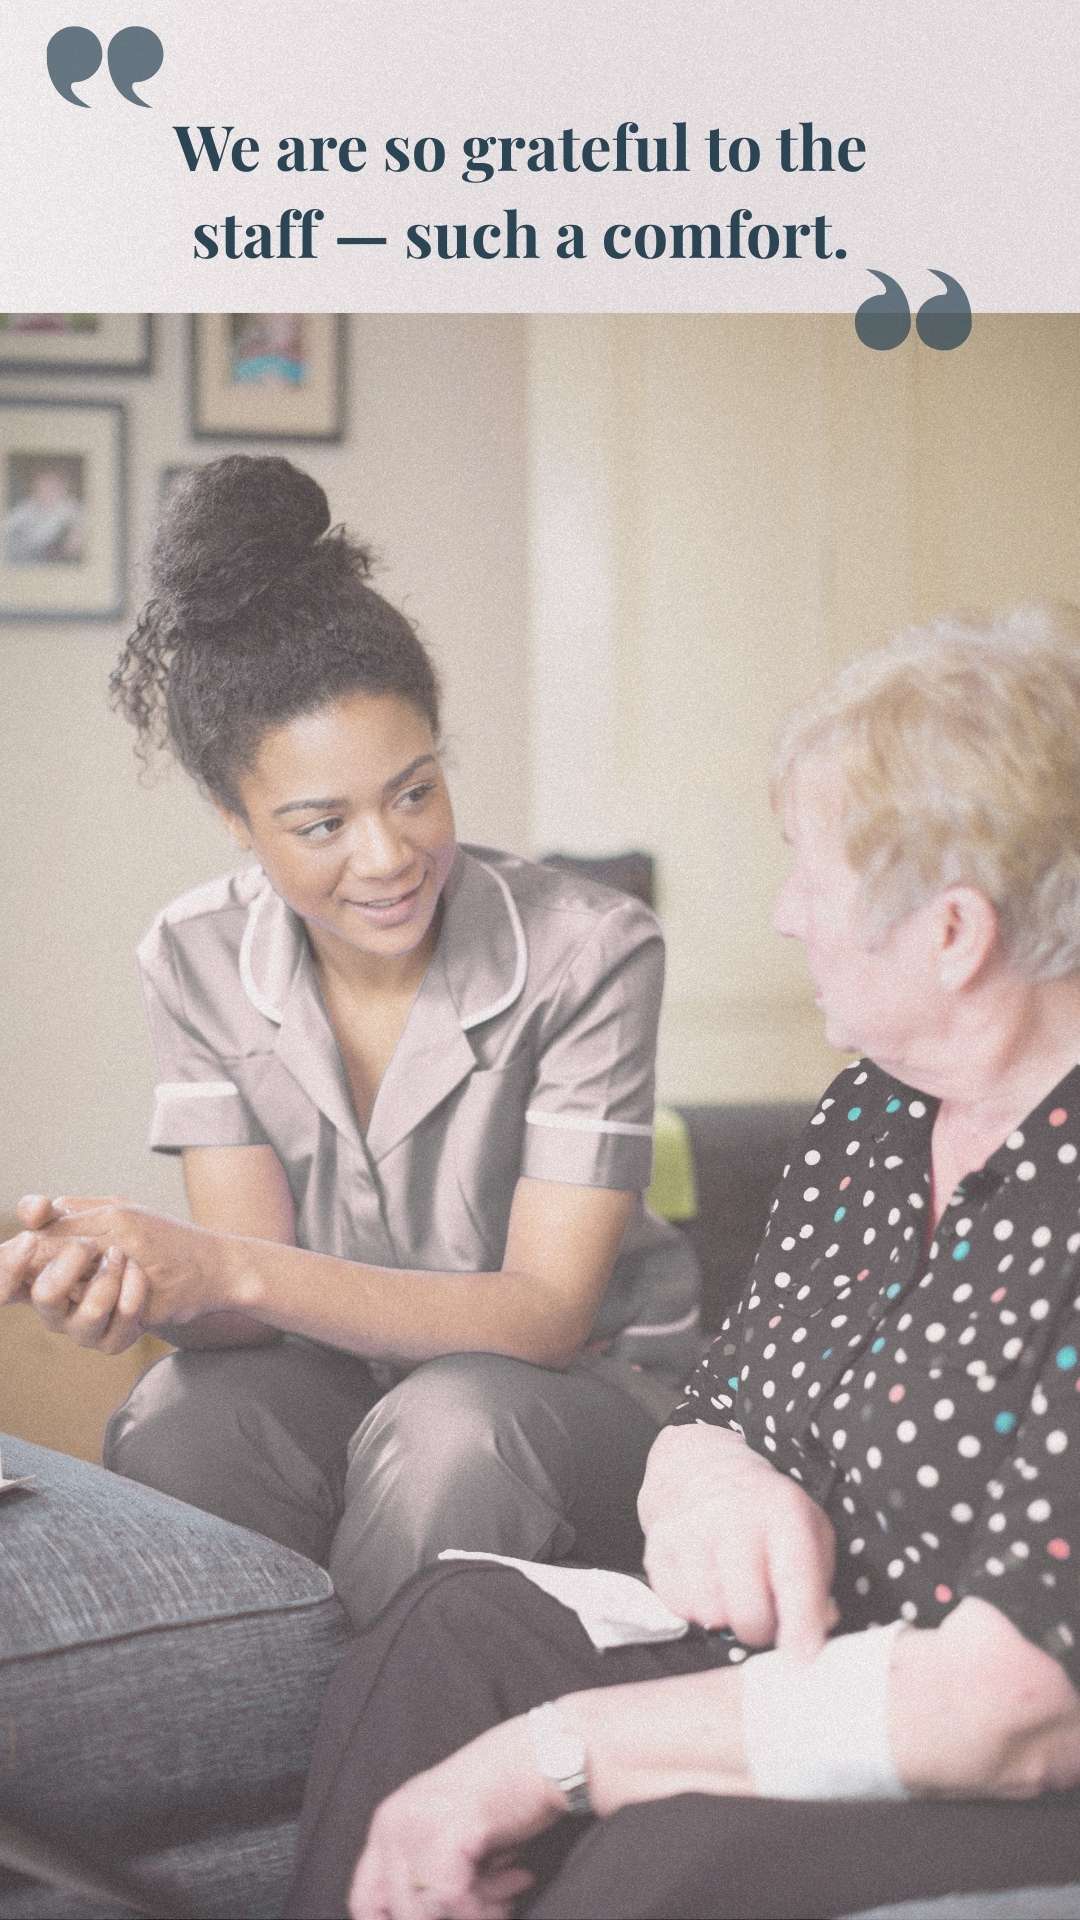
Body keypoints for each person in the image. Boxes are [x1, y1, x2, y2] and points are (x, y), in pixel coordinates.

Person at [280, 606, 1080, 1919]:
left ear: (953, 933)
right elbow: (716, 1406)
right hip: (834, 1657)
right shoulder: (880, 1112)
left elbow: (1014, 1709)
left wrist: (562, 1755)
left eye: (806, 875)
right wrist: (710, 1481)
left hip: (1002, 1746)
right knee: (449, 1628)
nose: (782, 916)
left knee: (660, 1861)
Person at [0, 454, 699, 1629]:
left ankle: (367, 1773)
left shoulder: (595, 949)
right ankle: (252, 1749)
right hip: (343, 1379)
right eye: (322, 824)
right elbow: (247, 1304)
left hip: (572, 1392)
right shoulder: (193, 954)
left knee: (451, 1435)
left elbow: (545, 1311)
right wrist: (135, 1277)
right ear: (237, 821)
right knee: (185, 1414)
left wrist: (222, 1266)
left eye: (415, 792)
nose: (386, 855)